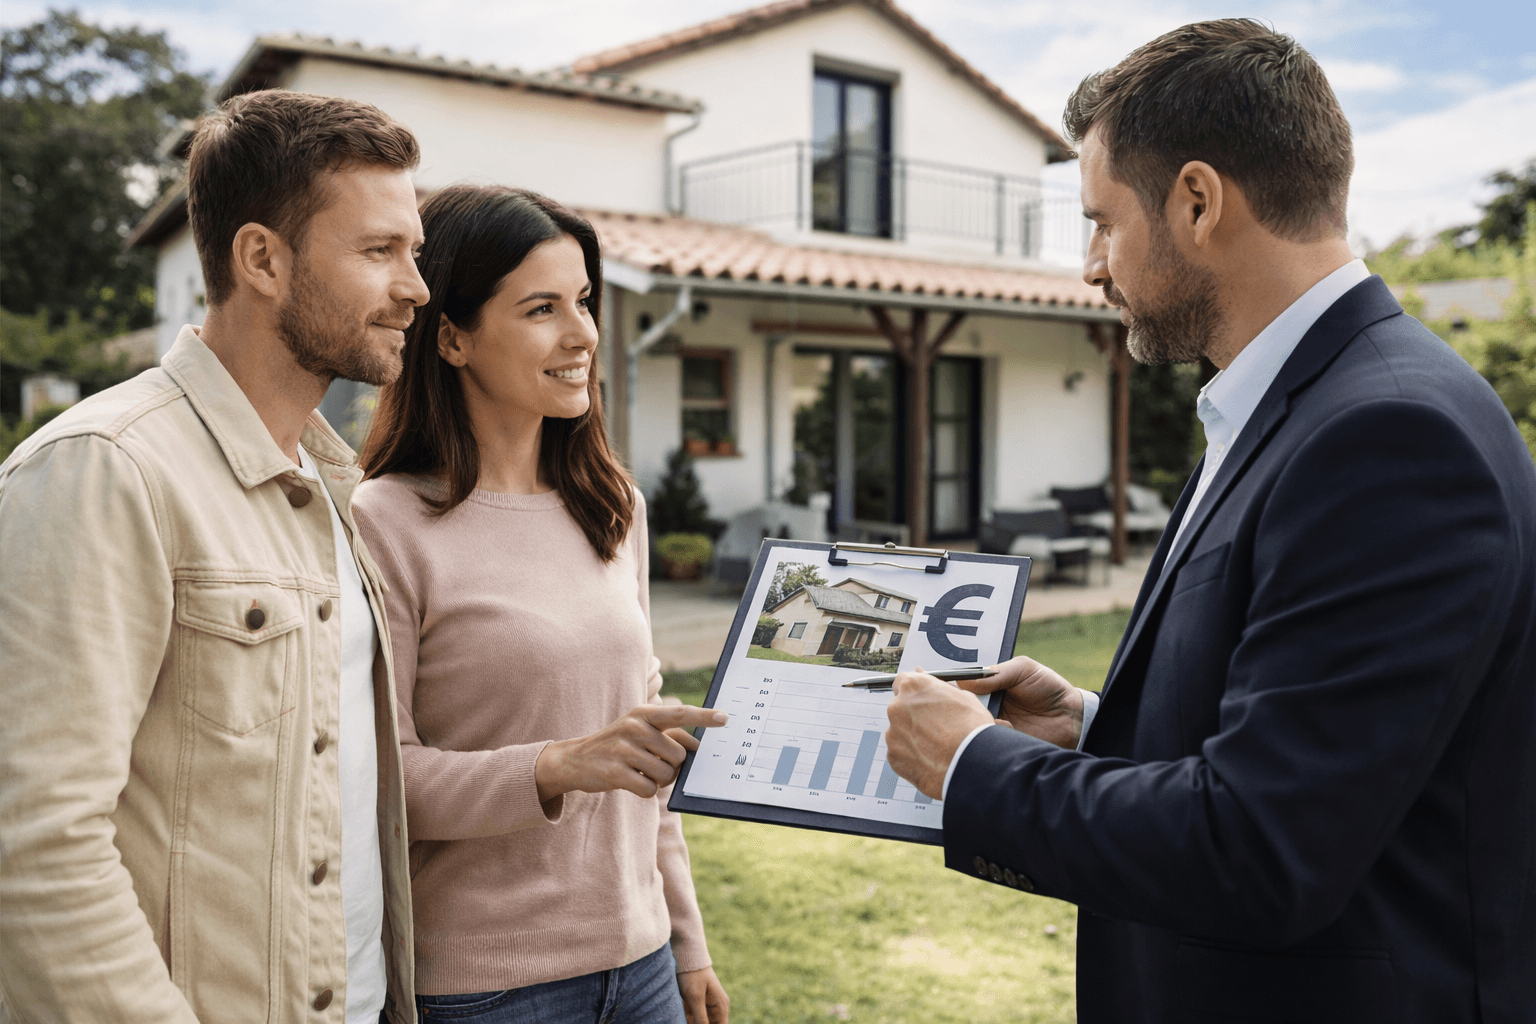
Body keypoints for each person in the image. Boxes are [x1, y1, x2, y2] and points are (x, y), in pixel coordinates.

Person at [883, 19, 1536, 1024]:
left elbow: (1262, 849)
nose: (1091, 268)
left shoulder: (1389, 438)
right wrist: (1093, 730)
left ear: (1196, 201)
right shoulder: (1291, 402)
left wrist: (976, 764)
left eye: (1103, 222)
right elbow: (1306, 739)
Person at [0, 89, 430, 1023]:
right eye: (378, 251)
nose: (416, 288)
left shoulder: (332, 486)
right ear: (262, 259)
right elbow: (32, 847)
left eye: (415, 252)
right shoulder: (104, 471)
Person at [351, 184, 731, 1024]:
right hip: (485, 987)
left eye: (585, 302)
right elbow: (376, 780)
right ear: (451, 336)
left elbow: (642, 749)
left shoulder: (612, 506)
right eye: (541, 309)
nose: (582, 336)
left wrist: (686, 941)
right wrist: (554, 765)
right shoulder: (385, 522)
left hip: (642, 969)